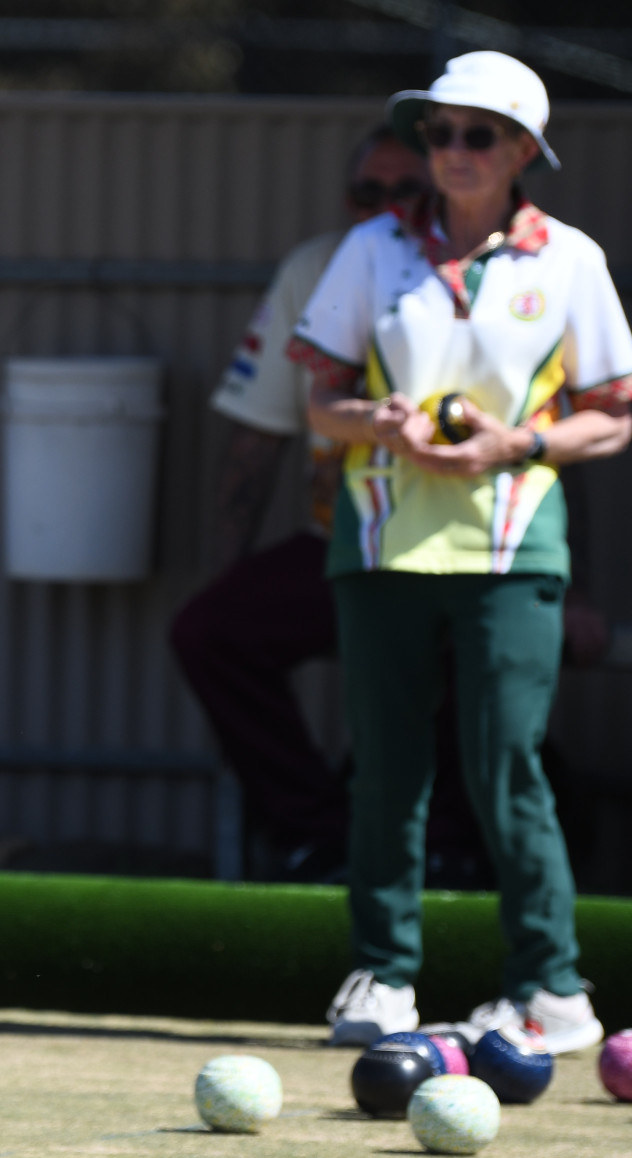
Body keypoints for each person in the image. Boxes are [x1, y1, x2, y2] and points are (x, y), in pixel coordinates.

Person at [289, 52, 632, 1052]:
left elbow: (611, 418)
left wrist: (513, 441)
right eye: (435, 132)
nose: (450, 152)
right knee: (384, 770)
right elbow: (316, 401)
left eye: (476, 134)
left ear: (523, 149)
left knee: (502, 765)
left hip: (511, 549)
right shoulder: (367, 249)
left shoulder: (566, 259)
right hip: (380, 543)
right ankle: (381, 977)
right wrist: (377, 424)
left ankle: (549, 991)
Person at [170, 127, 431, 881]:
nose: (384, 211)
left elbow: (542, 434)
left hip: (452, 552)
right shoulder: (319, 270)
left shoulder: (477, 272)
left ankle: (442, 845)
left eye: (405, 193)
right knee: (211, 629)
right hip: (338, 540)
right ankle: (317, 835)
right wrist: (227, 570)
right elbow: (260, 435)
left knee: (466, 654)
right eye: (366, 194)